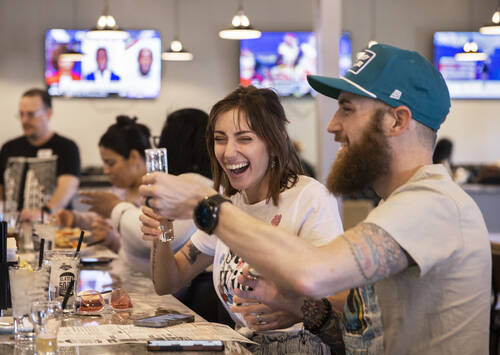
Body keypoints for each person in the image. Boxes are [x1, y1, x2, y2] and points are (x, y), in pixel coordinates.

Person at [139, 44, 491, 354]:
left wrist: (205, 204)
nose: (332, 125)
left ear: (397, 121)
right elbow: (359, 331)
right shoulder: (398, 205)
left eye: (347, 109)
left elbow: (314, 275)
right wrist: (297, 308)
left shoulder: (431, 204)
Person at [141, 86, 343, 354]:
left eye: (244, 138)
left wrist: (295, 311)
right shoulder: (229, 204)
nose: (228, 152)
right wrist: (162, 227)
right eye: (220, 139)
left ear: (274, 142)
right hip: (244, 345)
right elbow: (168, 281)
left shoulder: (310, 197)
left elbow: (338, 297)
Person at [0, 88, 80, 221]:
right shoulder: (9, 148)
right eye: (21, 114)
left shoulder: (66, 147)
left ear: (48, 113)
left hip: (51, 229)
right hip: (12, 228)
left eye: (31, 115)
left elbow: (68, 187)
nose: (24, 120)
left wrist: (45, 213)